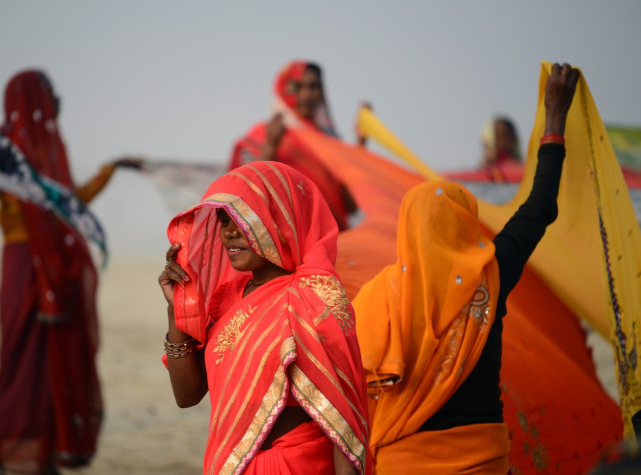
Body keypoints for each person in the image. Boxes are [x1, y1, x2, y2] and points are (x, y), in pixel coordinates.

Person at [352, 63, 580, 473]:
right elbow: (539, 207)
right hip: (483, 463)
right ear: (465, 221)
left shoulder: (377, 299)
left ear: (408, 229)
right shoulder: (490, 274)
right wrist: (555, 118)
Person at [0, 70, 140, 474]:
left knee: (55, 358)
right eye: (49, 93)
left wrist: (110, 171)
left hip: (58, 268)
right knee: (21, 358)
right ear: (31, 100)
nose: (58, 101)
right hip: (24, 266)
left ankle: (47, 450)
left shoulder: (52, 150)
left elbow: (69, 204)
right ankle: (14, 451)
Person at [159, 161, 370, 474]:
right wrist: (178, 310)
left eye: (244, 220)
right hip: (234, 463)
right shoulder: (228, 296)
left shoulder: (314, 297)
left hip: (299, 464)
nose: (229, 232)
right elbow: (187, 396)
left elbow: (343, 420)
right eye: (222, 219)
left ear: (280, 221)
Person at [229, 61, 357, 231]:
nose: (306, 94)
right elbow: (247, 192)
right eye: (298, 86)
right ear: (283, 89)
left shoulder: (332, 141)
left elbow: (351, 207)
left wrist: (359, 152)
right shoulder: (263, 134)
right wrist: (271, 146)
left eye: (313, 86)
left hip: (334, 241)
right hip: (288, 240)